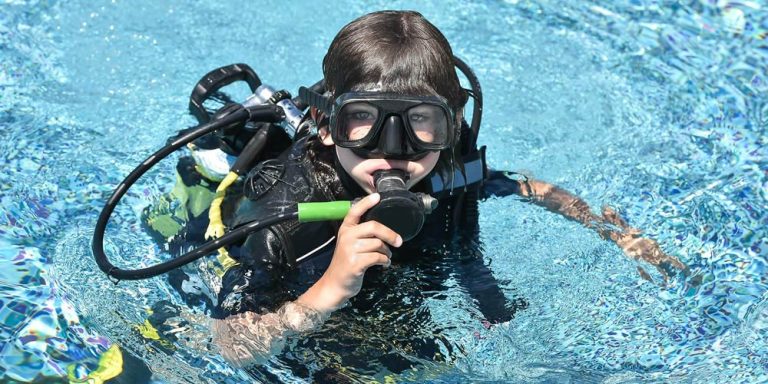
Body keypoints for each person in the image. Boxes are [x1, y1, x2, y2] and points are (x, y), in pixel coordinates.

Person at [145, 10, 687, 379]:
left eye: (421, 123)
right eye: (364, 121)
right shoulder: (287, 212)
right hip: (296, 295)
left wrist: (618, 234)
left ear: (451, 125)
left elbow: (527, 186)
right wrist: (328, 290)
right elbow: (230, 346)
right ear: (327, 124)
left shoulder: (444, 169)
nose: (395, 151)